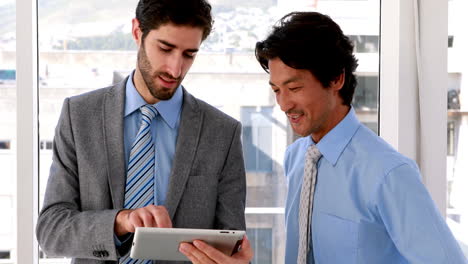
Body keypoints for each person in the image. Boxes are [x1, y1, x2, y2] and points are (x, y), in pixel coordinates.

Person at [36, 0, 249, 263]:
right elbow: (51, 231)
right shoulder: (79, 116)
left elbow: (234, 246)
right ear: (137, 32)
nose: (175, 69)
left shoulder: (222, 133)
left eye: (188, 54)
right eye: (165, 48)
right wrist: (120, 221)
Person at [253, 11, 467, 264]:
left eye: (294, 88)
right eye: (277, 90)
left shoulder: (388, 172)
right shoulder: (296, 158)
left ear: (336, 78)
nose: (284, 104)